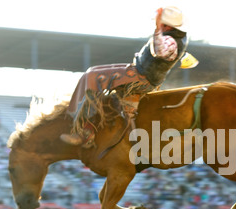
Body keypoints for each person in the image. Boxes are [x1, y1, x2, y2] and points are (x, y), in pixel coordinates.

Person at [60, 6, 197, 148]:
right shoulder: (175, 37)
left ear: (166, 25)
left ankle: (86, 132)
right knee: (91, 72)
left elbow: (160, 51)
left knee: (91, 77)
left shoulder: (169, 39)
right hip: (139, 72)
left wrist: (157, 29)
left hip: (141, 78)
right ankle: (79, 117)